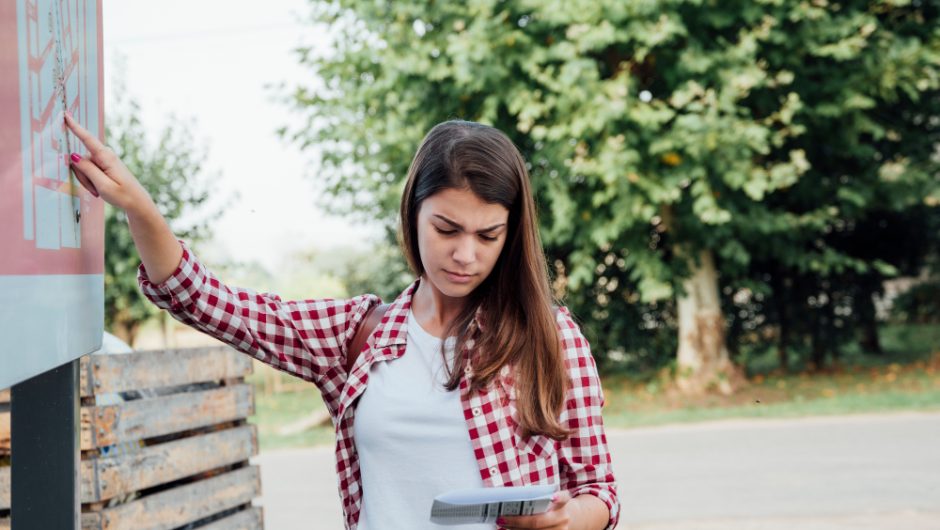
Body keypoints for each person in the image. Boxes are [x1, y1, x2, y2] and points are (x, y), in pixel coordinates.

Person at [64, 113, 620, 530]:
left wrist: (570, 520)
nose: (466, 255)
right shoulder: (358, 335)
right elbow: (200, 297)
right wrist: (139, 207)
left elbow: (599, 488)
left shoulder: (548, 335)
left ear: (510, 233)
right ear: (413, 215)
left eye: (488, 236)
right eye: (447, 229)